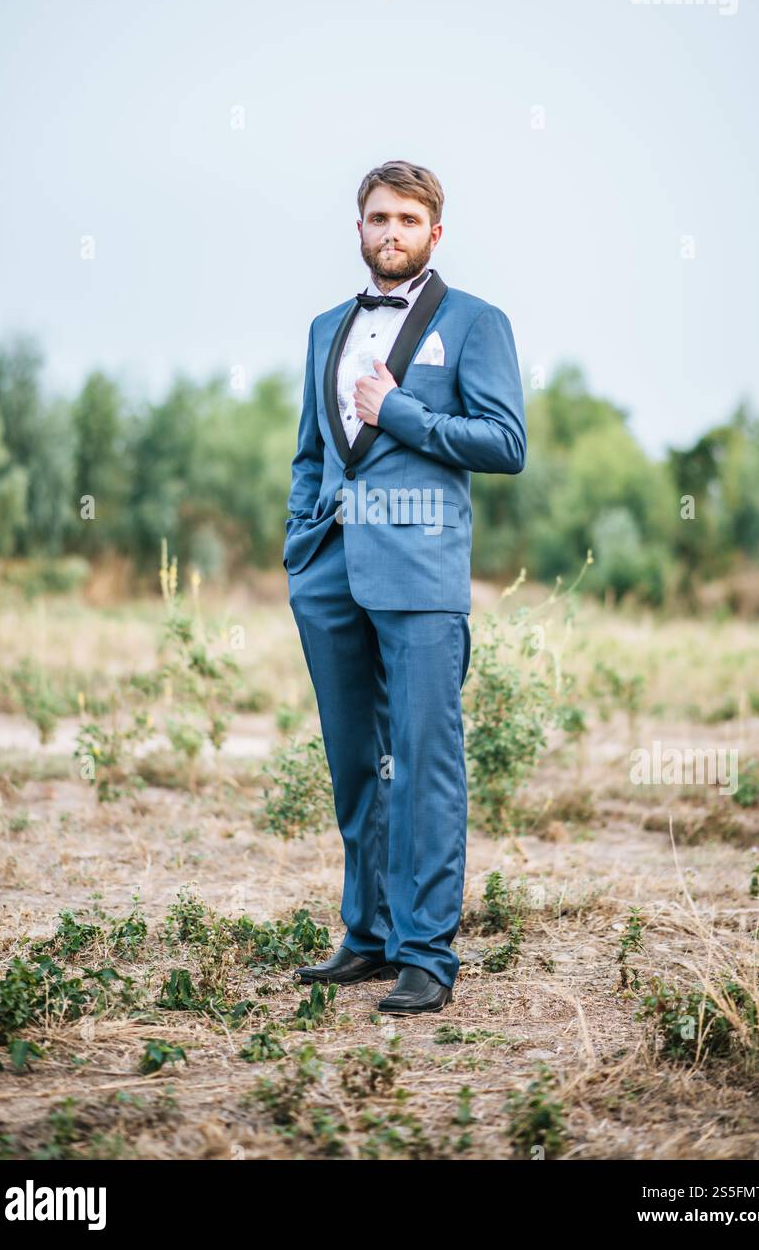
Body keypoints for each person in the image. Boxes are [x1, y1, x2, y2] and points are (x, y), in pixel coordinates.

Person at [284, 160, 527, 1014]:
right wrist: (297, 546)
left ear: (434, 232)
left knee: (423, 763)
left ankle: (426, 951)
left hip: (421, 574)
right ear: (358, 228)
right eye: (377, 218)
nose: (390, 232)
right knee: (357, 762)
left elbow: (505, 442)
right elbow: (311, 451)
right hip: (328, 571)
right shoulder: (323, 328)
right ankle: (369, 935)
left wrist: (401, 413)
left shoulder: (474, 323)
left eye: (407, 220)